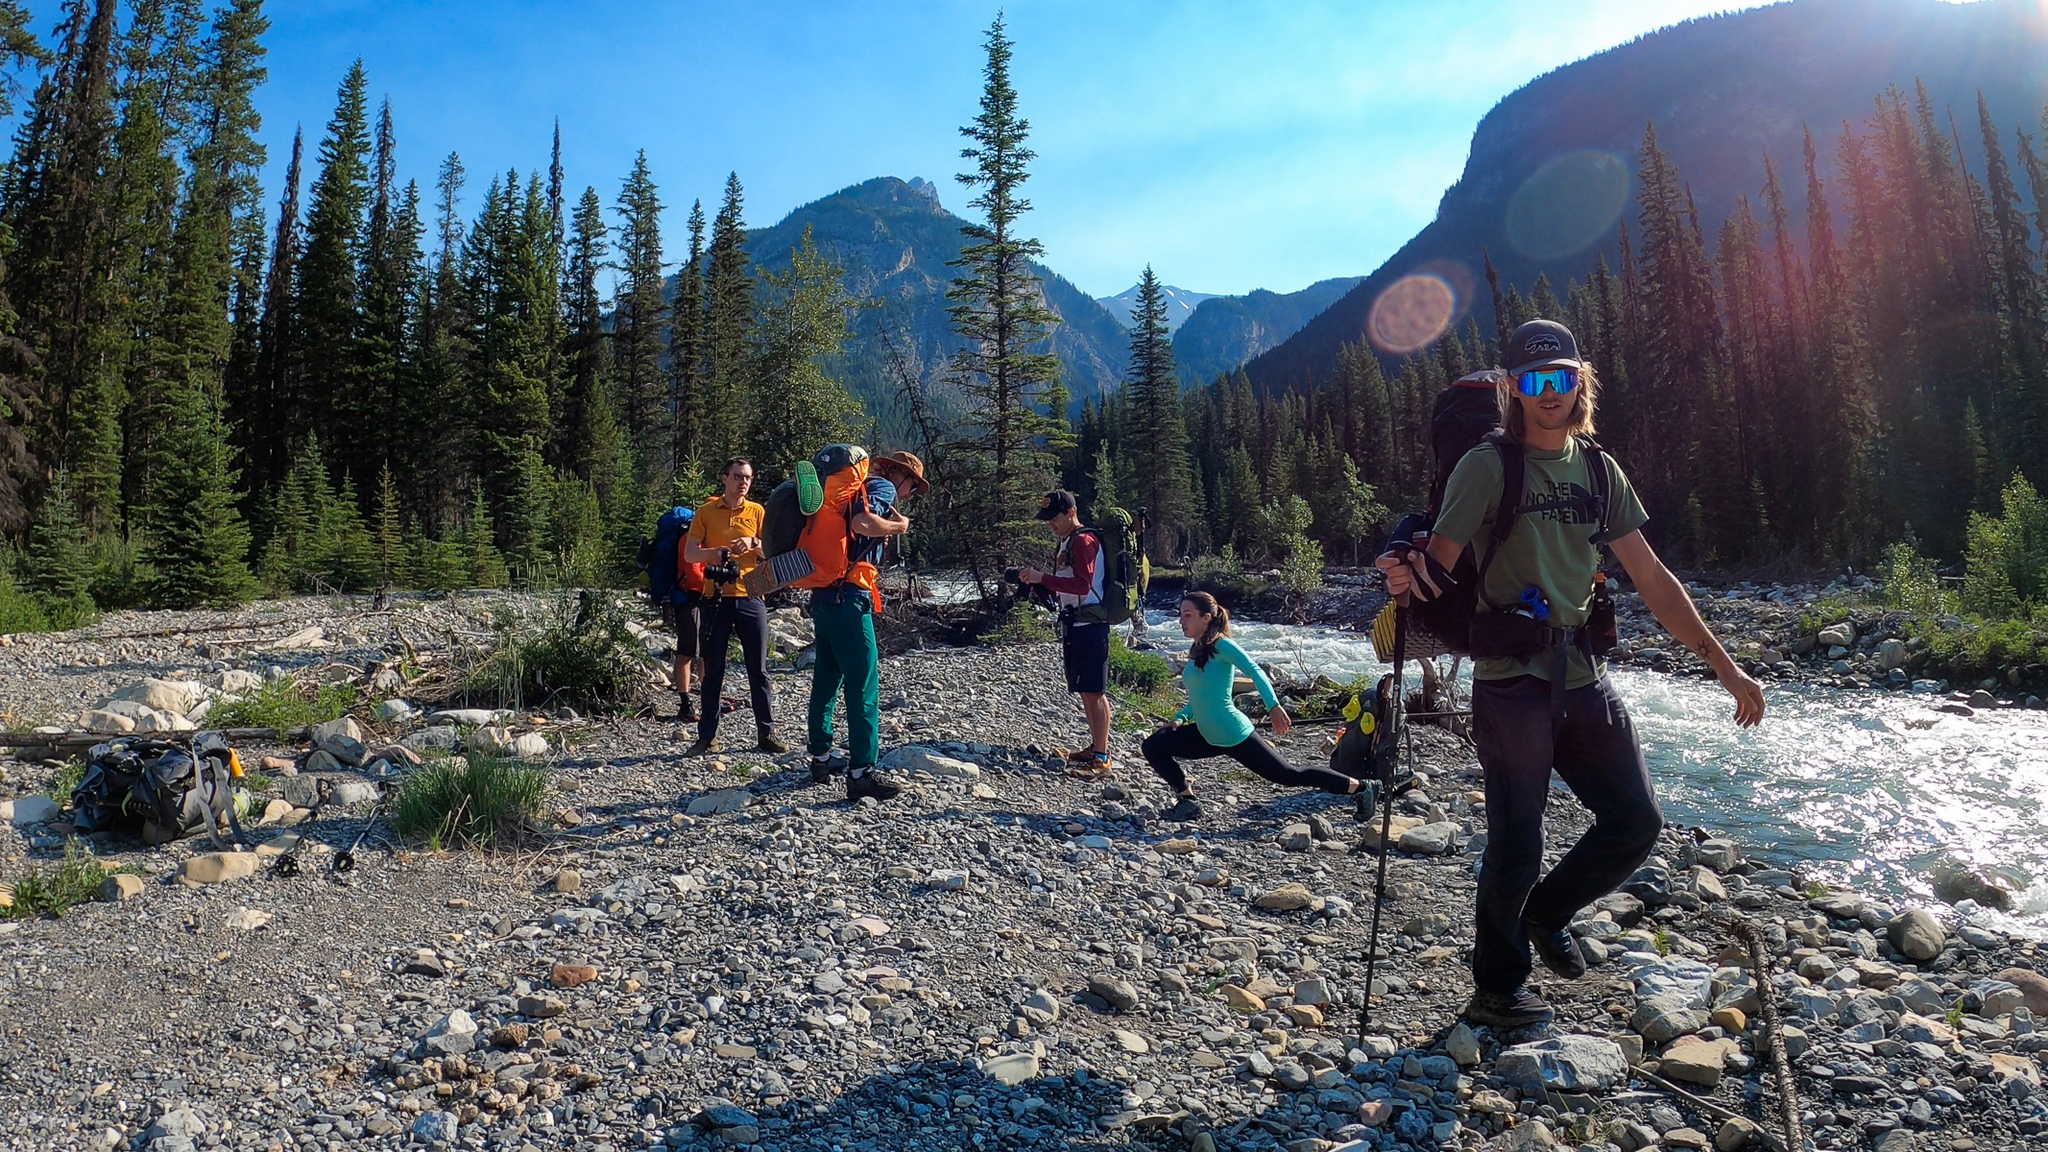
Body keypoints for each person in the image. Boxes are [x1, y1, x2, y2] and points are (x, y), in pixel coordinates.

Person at [1376, 318, 1766, 1030]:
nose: (1547, 392)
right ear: (1512, 390)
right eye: (1532, 381)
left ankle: (1548, 914)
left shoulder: (1597, 468)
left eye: (1559, 378)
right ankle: (1497, 988)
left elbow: (1651, 576)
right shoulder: (1488, 466)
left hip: (1582, 674)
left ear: (1579, 380)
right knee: (1518, 842)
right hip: (1510, 680)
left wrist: (1725, 666)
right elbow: (1439, 568)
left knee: (1635, 820)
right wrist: (1405, 575)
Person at [1143, 592, 1368, 821]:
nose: (1182, 621)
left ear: (1206, 618)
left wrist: (1273, 706)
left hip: (1232, 733)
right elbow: (1202, 697)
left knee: (1289, 775)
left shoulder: (1223, 645)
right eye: (1181, 615)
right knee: (1153, 746)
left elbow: (1255, 671)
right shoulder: (1197, 649)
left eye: (1188, 615)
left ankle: (1363, 788)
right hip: (1207, 734)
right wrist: (1180, 718)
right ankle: (1188, 801)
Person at [807, 451, 931, 803]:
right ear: (900, 475)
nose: (908, 495)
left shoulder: (855, 487)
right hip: (850, 596)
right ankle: (861, 771)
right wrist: (899, 526)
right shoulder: (881, 487)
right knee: (863, 683)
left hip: (825, 595)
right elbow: (863, 522)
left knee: (827, 677)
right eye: (912, 486)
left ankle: (821, 757)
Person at [684, 457, 789, 756]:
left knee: (759, 669)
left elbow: (772, 550)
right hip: (715, 596)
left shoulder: (757, 511)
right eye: (738, 476)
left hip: (751, 593)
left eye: (748, 477)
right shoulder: (705, 512)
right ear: (725, 478)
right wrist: (712, 553)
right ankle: (707, 737)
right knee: (712, 669)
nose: (743, 482)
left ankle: (766, 734)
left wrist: (752, 541)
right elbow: (691, 554)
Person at [1017, 490, 1113, 779]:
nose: (1050, 524)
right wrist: (1040, 586)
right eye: (1047, 519)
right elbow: (1070, 584)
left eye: (1054, 518)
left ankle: (1102, 757)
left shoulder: (1083, 541)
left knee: (1094, 691)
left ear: (1071, 512)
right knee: (1086, 689)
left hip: (1091, 625)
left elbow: (1083, 586)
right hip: (1077, 623)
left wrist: (1041, 578)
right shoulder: (1067, 541)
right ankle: (1096, 748)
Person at [667, 509, 705, 722]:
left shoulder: (704, 538)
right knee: (687, 653)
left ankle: (707, 699)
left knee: (705, 652)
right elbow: (693, 575)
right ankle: (686, 704)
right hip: (689, 599)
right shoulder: (690, 539)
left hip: (701, 599)